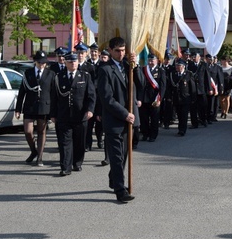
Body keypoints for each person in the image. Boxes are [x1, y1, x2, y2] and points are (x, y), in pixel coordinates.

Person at [97, 36, 140, 203]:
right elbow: (107, 99)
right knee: (116, 157)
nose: (121, 54)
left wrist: (135, 66)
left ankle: (114, 179)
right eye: (117, 51)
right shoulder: (105, 70)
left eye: (123, 50)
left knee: (123, 156)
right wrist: (124, 114)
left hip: (128, 121)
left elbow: (140, 84)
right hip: (115, 120)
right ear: (110, 50)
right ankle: (120, 191)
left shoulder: (128, 67)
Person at [50, 52, 96, 176]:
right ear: (65, 62)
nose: (73, 63)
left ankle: (77, 162)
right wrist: (53, 114)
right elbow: (53, 97)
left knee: (79, 142)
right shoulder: (58, 77)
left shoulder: (85, 76)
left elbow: (91, 95)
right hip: (64, 116)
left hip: (81, 116)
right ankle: (65, 167)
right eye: (70, 61)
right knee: (65, 142)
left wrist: (90, 110)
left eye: (75, 61)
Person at [14, 50, 55, 167]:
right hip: (30, 106)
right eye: (39, 62)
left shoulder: (50, 74)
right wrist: (18, 109)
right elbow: (22, 91)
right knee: (28, 131)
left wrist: (53, 111)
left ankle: (40, 157)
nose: (42, 65)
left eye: (44, 63)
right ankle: (33, 151)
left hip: (44, 106)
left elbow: (53, 94)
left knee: (42, 131)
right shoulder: (28, 73)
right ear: (35, 61)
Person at [138, 53, 165, 142]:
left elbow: (163, 86)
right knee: (144, 118)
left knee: (154, 118)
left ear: (156, 61)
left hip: (155, 98)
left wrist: (159, 99)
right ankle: (145, 134)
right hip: (145, 98)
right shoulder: (143, 69)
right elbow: (140, 85)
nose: (150, 62)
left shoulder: (161, 71)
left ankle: (153, 135)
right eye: (149, 60)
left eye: (152, 60)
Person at [169, 58, 196, 136]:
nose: (177, 67)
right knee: (179, 115)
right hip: (176, 98)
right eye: (177, 65)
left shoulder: (189, 74)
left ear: (183, 66)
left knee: (184, 115)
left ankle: (182, 130)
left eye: (179, 65)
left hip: (185, 98)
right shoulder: (173, 74)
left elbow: (192, 87)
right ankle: (180, 128)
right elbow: (171, 86)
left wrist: (193, 98)